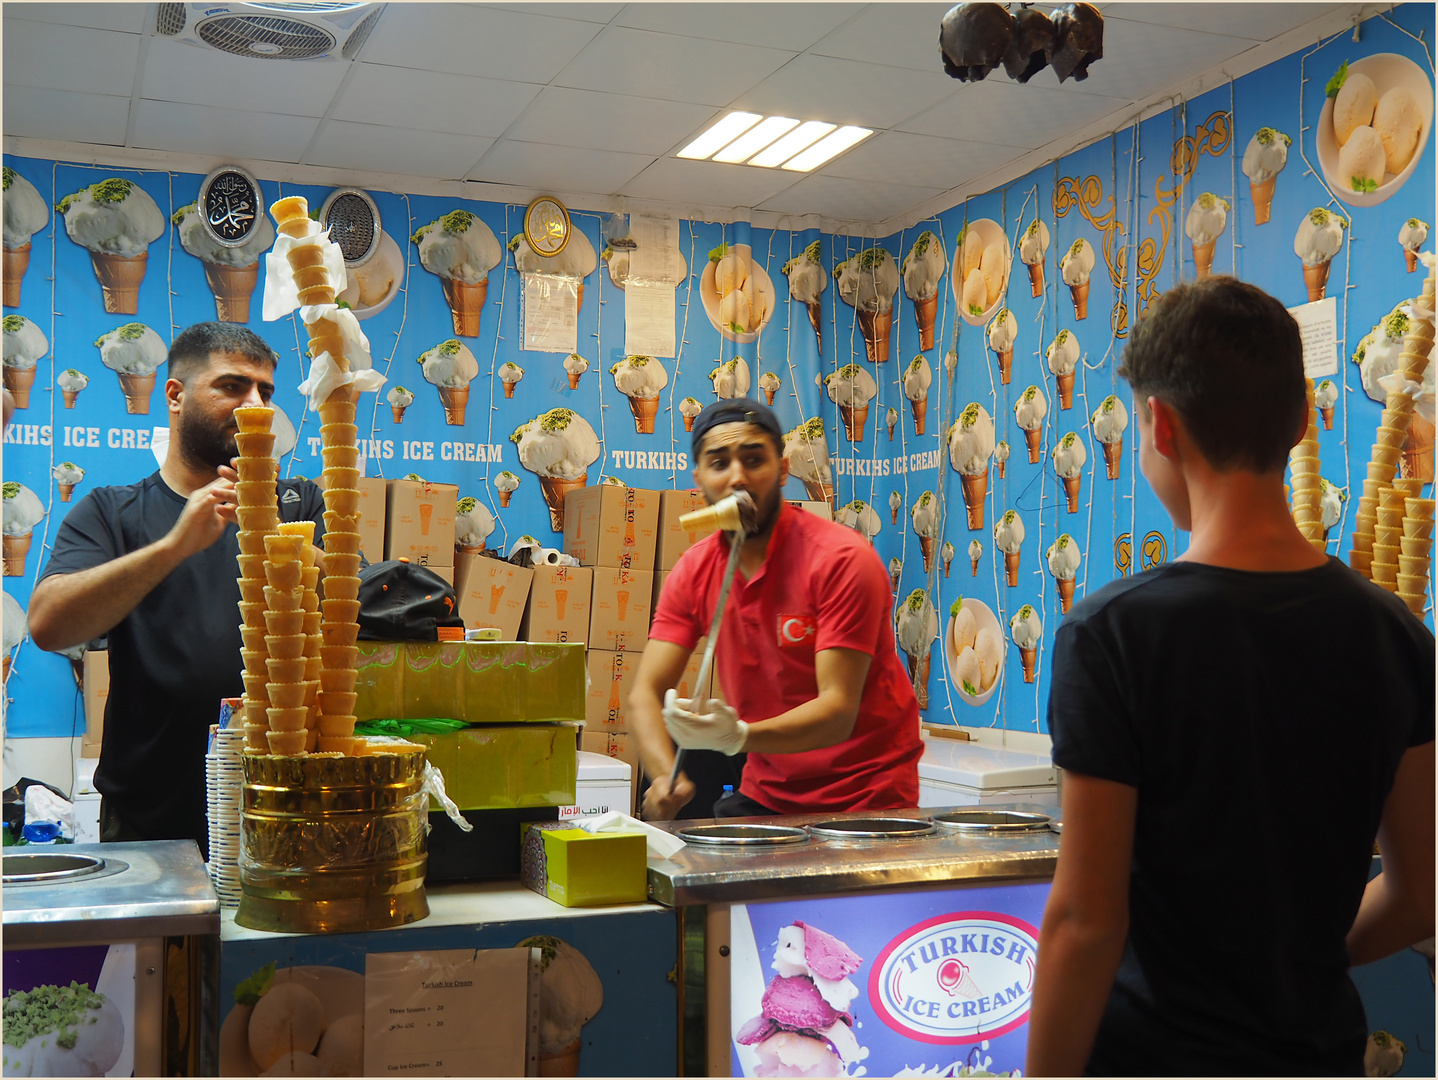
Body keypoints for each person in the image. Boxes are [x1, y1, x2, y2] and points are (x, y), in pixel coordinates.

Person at [1026, 278, 1434, 1076]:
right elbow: (1423, 891)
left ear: (1161, 425)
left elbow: (1086, 920)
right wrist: (1301, 966)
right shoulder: (1396, 635)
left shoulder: (1113, 634)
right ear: (1303, 420)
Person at [28, 323, 329, 853]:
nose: (256, 405)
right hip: (151, 822)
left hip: (287, 806)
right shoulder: (112, 512)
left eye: (266, 392)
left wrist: (278, 539)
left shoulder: (299, 506)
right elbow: (49, 624)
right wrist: (174, 546)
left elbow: (362, 604)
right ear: (175, 394)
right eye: (233, 387)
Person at [631, 397, 923, 820]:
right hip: (769, 790)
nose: (737, 477)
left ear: (783, 469)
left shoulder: (841, 560)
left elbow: (837, 711)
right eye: (719, 464)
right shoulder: (694, 571)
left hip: (868, 793)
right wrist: (664, 778)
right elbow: (644, 693)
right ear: (699, 480)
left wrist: (738, 737)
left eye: (754, 460)